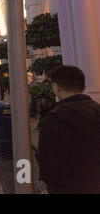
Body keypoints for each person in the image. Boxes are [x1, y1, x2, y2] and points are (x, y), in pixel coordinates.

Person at [37, 66, 100, 194]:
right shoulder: (97, 110)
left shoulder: (52, 120)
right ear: (83, 86)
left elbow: (48, 162)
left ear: (56, 87)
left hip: (66, 186)